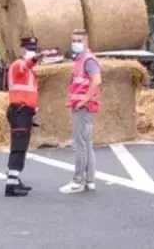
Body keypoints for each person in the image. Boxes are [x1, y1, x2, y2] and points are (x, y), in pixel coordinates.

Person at [59, 28, 102, 194]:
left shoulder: (88, 60)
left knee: (80, 145)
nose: (75, 44)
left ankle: (78, 181)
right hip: (81, 105)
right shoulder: (80, 59)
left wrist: (85, 99)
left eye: (79, 40)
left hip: (83, 107)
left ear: (86, 41)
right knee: (87, 143)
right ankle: (90, 180)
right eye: (73, 41)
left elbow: (96, 80)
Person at [5, 36, 43, 198]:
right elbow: (24, 66)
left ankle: (15, 179)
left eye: (33, 49)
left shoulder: (31, 72)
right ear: (22, 50)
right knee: (18, 147)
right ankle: (11, 185)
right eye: (28, 49)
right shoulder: (17, 65)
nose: (31, 52)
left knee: (22, 147)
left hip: (25, 112)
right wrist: (34, 59)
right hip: (19, 111)